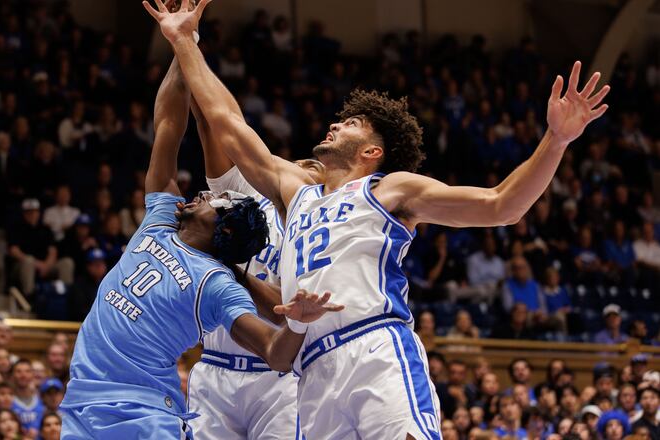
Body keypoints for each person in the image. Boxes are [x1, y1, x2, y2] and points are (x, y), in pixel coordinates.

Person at [145, 2, 608, 438]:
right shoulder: (296, 192)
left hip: (375, 349)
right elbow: (227, 122)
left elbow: (502, 205)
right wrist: (185, 40)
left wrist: (556, 139)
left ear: (372, 152)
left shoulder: (391, 188)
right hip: (312, 366)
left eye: (351, 124)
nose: (335, 123)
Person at [60, 54, 341, 439]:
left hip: (243, 384)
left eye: (311, 169)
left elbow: (280, 325)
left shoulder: (311, 234)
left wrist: (283, 310)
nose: (205, 195)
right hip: (113, 390)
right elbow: (184, 125)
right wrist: (183, 44)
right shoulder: (187, 212)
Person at [186, 59, 326, 439]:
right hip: (215, 366)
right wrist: (187, 47)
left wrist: (232, 270)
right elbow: (211, 122)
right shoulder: (243, 194)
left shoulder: (323, 228)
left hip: (277, 377)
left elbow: (286, 313)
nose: (298, 166)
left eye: (312, 167)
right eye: (296, 162)